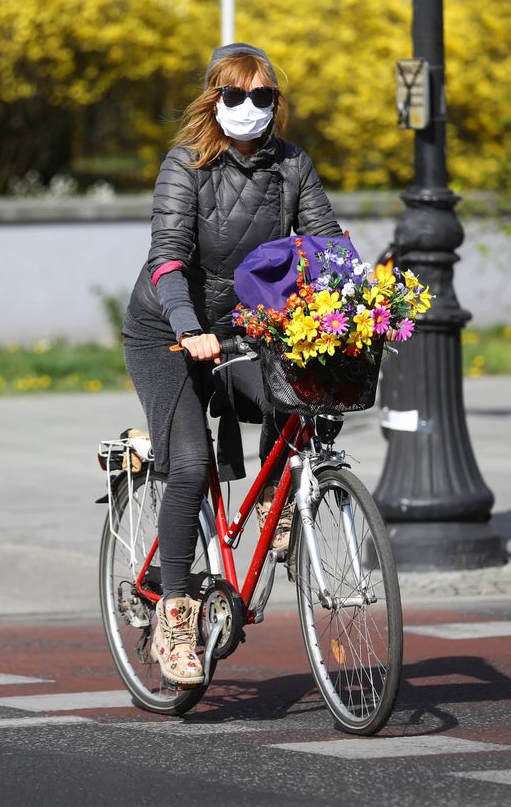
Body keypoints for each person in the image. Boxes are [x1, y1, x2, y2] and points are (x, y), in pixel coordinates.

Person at [120, 43, 345, 686]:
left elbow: (325, 241)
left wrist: (360, 307)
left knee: (314, 391)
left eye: (263, 97)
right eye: (236, 96)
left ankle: (280, 498)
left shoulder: (292, 165)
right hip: (168, 330)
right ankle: (176, 616)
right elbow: (167, 257)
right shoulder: (185, 164)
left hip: (246, 328)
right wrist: (189, 329)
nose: (250, 109)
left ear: (277, 103)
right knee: (190, 464)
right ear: (213, 100)